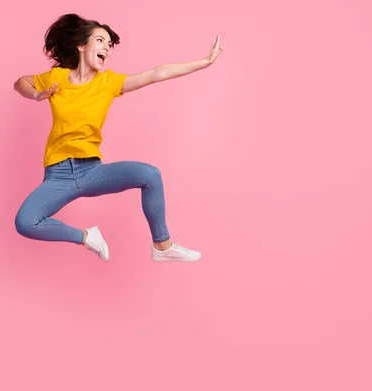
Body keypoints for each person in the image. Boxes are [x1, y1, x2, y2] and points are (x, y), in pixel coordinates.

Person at [13, 13, 223, 263]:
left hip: (90, 171)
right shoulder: (56, 78)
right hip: (57, 176)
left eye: (110, 45)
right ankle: (86, 236)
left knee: (149, 174)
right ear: (81, 45)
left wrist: (203, 62)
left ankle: (162, 245)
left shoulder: (108, 82)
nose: (107, 48)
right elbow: (20, 82)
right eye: (100, 41)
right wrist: (36, 94)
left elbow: (157, 73)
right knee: (25, 222)